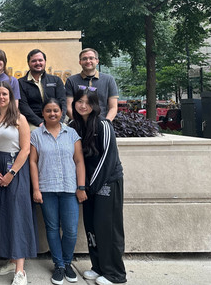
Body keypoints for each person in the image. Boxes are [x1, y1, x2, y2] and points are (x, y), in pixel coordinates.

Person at [70, 89, 126, 285]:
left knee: (108, 228)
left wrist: (89, 186)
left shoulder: (104, 125)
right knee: (92, 227)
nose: (83, 105)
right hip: (88, 187)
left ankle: (115, 274)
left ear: (95, 105)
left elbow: (107, 160)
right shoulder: (74, 125)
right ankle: (98, 266)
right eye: (79, 101)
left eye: (87, 102)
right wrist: (82, 186)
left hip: (107, 183)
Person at [29, 98, 87, 285]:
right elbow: (33, 163)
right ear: (43, 113)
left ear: (61, 112)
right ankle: (59, 265)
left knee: (70, 230)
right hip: (47, 189)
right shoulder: (36, 135)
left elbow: (79, 161)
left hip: (70, 189)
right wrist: (36, 189)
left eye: (55, 110)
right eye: (48, 111)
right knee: (52, 229)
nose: (52, 114)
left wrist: (81, 186)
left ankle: (68, 263)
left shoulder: (71, 133)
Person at [0, 82, 36, 285]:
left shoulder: (19, 118)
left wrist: (11, 173)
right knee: (2, 215)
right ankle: (11, 259)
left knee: (17, 215)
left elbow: (25, 149)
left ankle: (20, 271)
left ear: (11, 96)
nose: (1, 97)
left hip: (15, 167)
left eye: (4, 93)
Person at [65, 48, 118, 122]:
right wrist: (80, 123)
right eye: (84, 59)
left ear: (97, 61)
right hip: (78, 126)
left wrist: (106, 123)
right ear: (80, 62)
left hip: (102, 123)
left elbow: (113, 107)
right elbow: (68, 107)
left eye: (91, 58)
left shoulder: (109, 80)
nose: (88, 61)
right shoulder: (71, 81)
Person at [19, 49, 66, 130]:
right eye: (34, 61)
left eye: (40, 60)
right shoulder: (20, 83)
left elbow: (62, 102)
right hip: (32, 123)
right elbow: (23, 106)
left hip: (55, 119)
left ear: (45, 62)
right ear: (28, 63)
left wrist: (59, 121)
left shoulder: (56, 80)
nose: (38, 63)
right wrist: (40, 123)